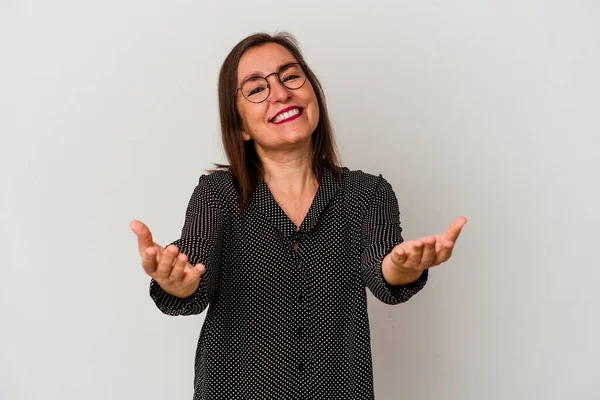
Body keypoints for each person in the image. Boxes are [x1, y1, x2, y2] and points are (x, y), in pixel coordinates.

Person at [130, 32, 466, 400]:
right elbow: (194, 266)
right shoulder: (217, 195)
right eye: (256, 89)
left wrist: (403, 268)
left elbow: (383, 261)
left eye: (290, 76)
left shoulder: (367, 193)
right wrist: (177, 281)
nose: (280, 93)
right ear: (239, 125)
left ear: (312, 92)